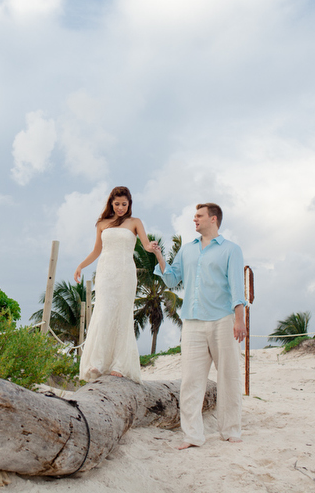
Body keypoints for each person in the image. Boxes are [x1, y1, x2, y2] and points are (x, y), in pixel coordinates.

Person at [151, 203, 246, 449]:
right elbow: (172, 279)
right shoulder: (187, 250)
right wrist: (160, 257)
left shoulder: (231, 250)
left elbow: (237, 287)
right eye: (194, 216)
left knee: (228, 377)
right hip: (192, 323)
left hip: (223, 320)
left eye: (199, 216)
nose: (195, 219)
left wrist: (239, 319)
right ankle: (192, 435)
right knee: (191, 381)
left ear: (213, 219)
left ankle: (231, 430)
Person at [73, 186, 155, 383]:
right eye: (117, 204)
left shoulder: (135, 222)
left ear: (129, 204)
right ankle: (98, 362)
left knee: (122, 314)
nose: (120, 208)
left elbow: (145, 245)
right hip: (106, 272)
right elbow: (96, 251)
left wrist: (152, 247)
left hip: (126, 272)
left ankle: (119, 364)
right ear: (111, 203)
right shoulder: (102, 223)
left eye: (124, 204)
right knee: (104, 312)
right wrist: (81, 266)